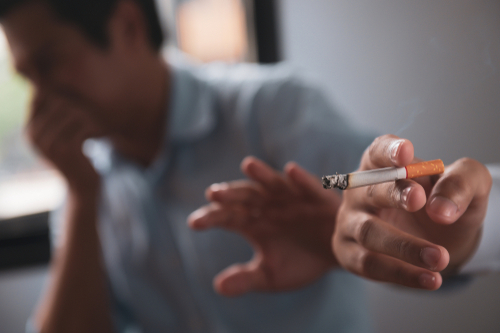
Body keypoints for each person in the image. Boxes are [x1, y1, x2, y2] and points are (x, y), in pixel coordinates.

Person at [1, 0, 374, 332]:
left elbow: (429, 255)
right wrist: (83, 198)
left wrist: (338, 235)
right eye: (27, 78)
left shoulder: (276, 113)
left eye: (48, 63)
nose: (40, 103)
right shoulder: (83, 187)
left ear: (129, 25)